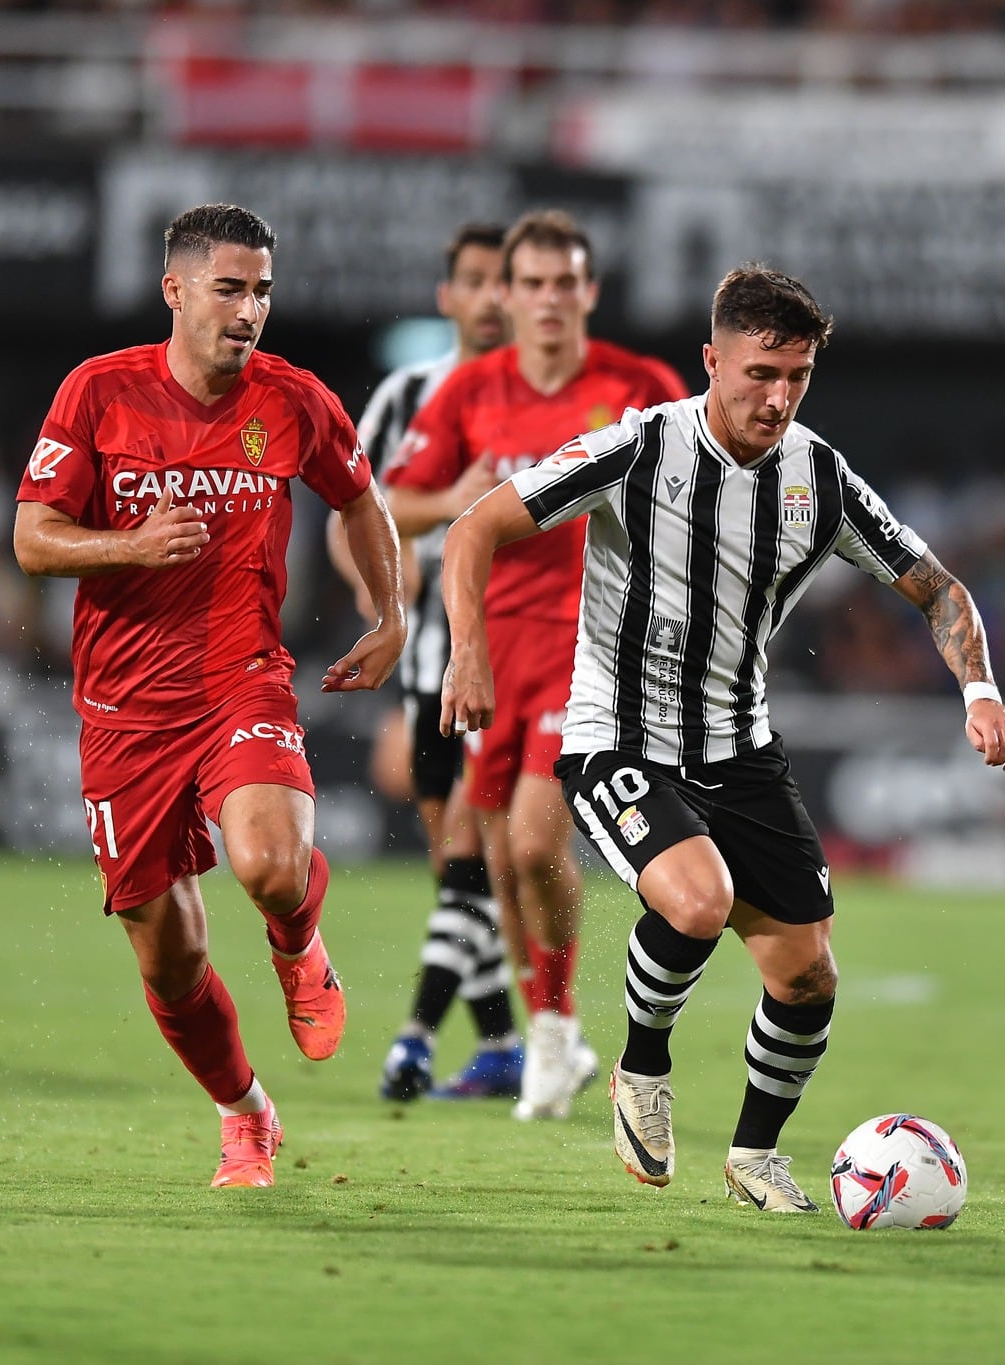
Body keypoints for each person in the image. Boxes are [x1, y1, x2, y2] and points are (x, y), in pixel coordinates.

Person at [439, 263, 1005, 1213]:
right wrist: (470, 655)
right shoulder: (637, 451)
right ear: (712, 361)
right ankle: (641, 1071)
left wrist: (982, 692)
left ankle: (754, 1154)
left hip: (739, 747)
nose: (779, 396)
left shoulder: (819, 475)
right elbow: (475, 530)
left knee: (808, 975)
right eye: (760, 373)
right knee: (698, 898)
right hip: (616, 737)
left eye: (797, 376)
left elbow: (938, 588)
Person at [12, 204, 406, 1187]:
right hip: (123, 712)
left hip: (240, 681)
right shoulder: (98, 393)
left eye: (263, 290)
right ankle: (245, 1113)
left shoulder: (295, 400)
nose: (250, 309)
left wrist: (390, 612)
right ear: (175, 290)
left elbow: (359, 499)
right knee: (170, 960)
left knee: (273, 863)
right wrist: (127, 547)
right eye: (230, 287)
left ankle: (298, 941)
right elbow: (30, 537)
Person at [385, 210, 686, 1120]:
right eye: (534, 284)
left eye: (568, 283)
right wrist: (453, 496)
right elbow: (391, 500)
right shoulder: (471, 390)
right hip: (489, 645)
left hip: (592, 643)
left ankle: (554, 1034)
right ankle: (553, 1030)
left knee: (529, 839)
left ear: (590, 292)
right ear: (504, 295)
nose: (551, 300)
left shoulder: (640, 387)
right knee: (499, 863)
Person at [327, 223, 535, 1102]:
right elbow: (354, 514)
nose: (494, 297)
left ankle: (424, 1035)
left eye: (508, 281)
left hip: (519, 656)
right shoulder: (410, 393)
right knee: (456, 859)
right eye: (477, 280)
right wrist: (389, 606)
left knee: (480, 850)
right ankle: (503, 1045)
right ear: (448, 296)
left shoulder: (553, 399)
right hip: (430, 657)